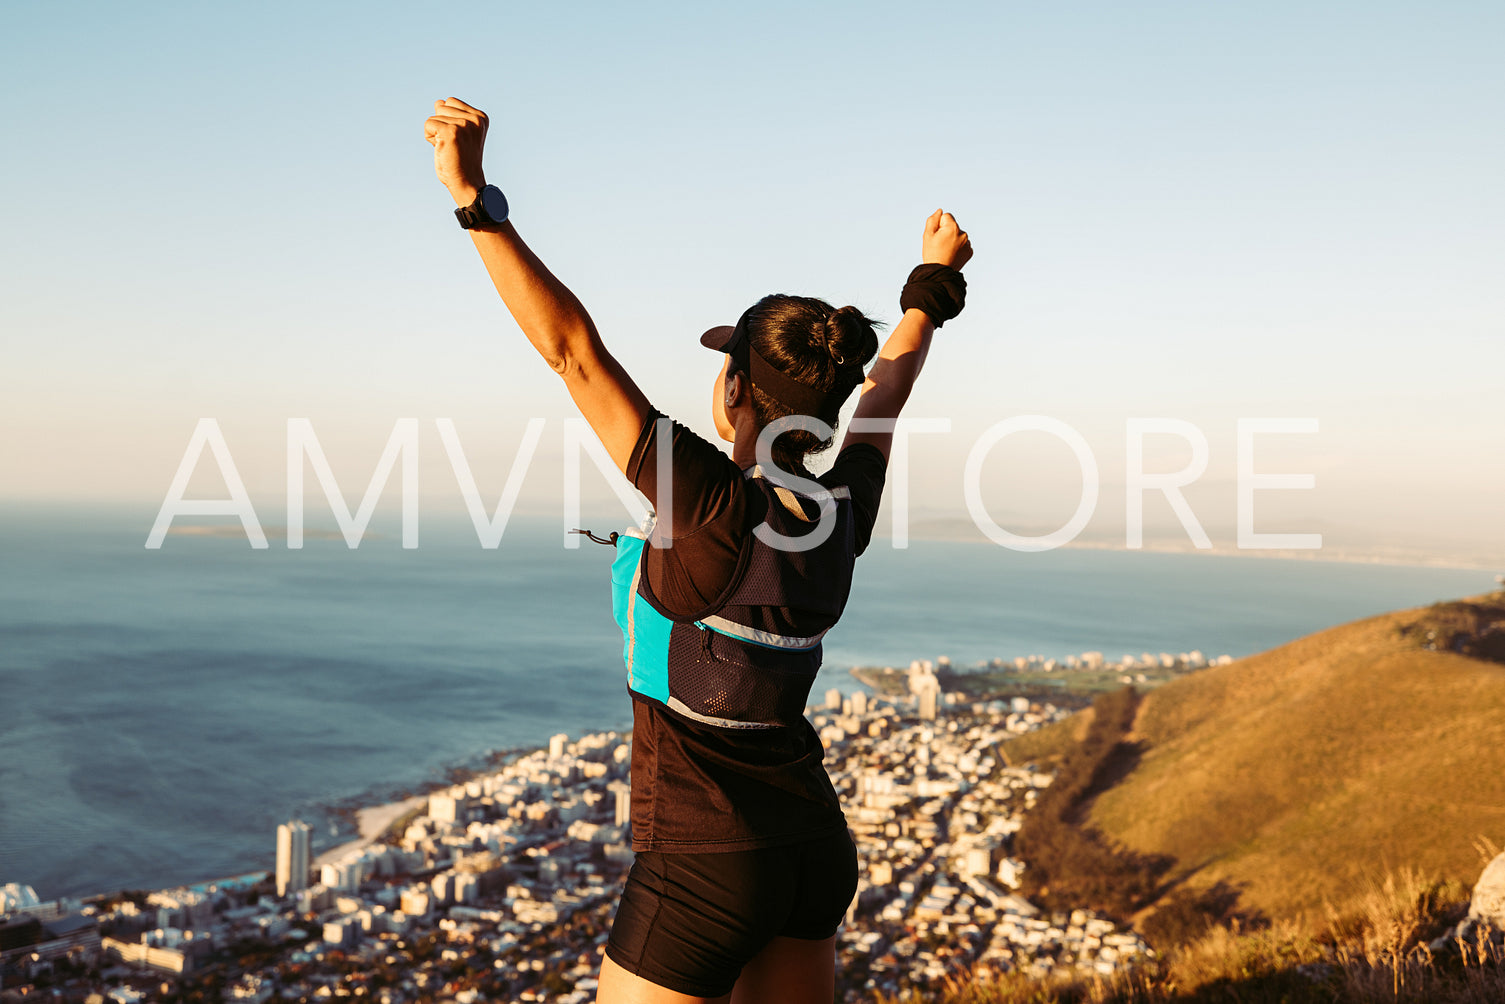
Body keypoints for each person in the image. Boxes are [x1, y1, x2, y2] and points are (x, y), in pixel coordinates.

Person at [424, 96, 972, 1004]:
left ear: (732, 389)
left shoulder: (709, 502)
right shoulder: (841, 503)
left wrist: (474, 198)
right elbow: (889, 389)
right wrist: (928, 289)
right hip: (809, 852)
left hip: (704, 867)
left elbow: (573, 353)